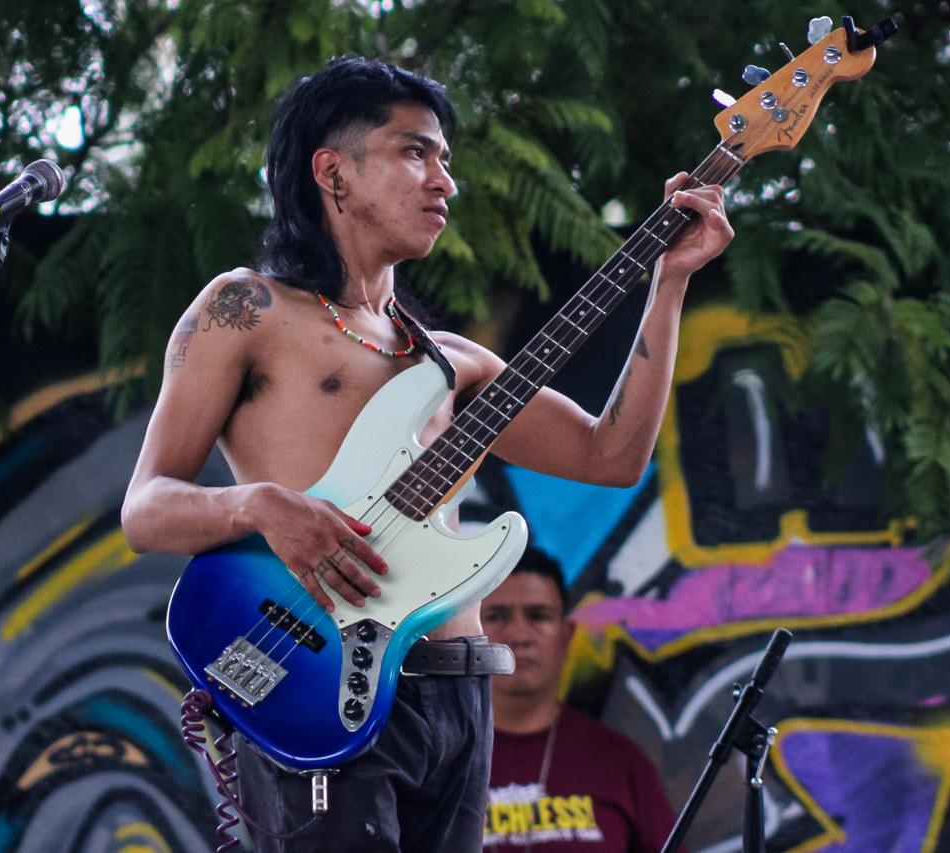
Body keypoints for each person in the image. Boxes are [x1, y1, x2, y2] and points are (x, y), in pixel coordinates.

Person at [121, 56, 731, 852]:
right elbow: (146, 509)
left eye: (446, 158)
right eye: (416, 153)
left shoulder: (451, 361)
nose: (445, 181)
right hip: (319, 678)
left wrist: (669, 283)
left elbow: (611, 453)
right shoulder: (246, 309)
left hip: (458, 694)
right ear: (333, 173)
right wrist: (261, 505)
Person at [482, 548, 678, 851]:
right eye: (496, 616)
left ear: (567, 634)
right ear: (471, 633)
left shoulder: (620, 762)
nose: (519, 636)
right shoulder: (437, 760)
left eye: (538, 616)